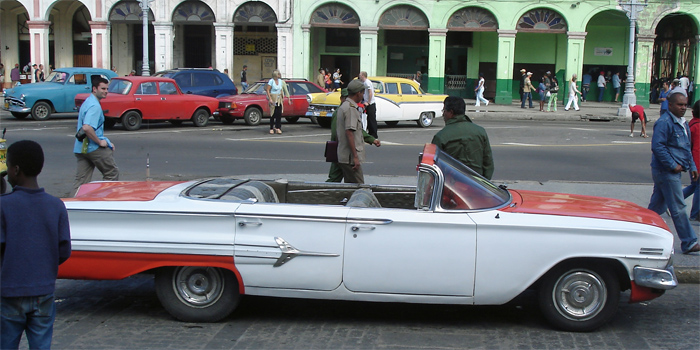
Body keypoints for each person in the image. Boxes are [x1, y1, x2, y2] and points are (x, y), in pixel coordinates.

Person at [1, 140, 72, 350]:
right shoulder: (56, 205)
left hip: (9, 292)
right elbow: (63, 251)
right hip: (43, 291)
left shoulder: (4, 206)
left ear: (15, 170)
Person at [647, 87, 699, 254]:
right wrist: (673, 165)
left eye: (685, 105)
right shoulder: (664, 122)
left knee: (655, 208)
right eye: (679, 105)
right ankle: (689, 242)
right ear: (669, 105)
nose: (683, 107)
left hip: (674, 170)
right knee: (678, 208)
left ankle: (641, 231)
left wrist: (692, 167)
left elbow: (686, 148)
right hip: (666, 171)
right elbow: (658, 147)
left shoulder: (682, 122)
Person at [71, 76, 120, 196]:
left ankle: (74, 205)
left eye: (107, 89)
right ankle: (104, 200)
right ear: (94, 89)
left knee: (81, 181)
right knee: (112, 173)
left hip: (81, 148)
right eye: (103, 88)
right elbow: (87, 127)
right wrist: (100, 142)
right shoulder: (95, 106)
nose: (106, 91)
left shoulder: (88, 102)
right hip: (92, 147)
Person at [431, 96, 494, 179]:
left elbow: (434, 168)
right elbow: (488, 164)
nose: (443, 114)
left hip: (452, 185)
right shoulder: (480, 132)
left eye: (444, 111)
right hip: (477, 185)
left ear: (451, 112)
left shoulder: (441, 137)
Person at [327, 88, 380, 182]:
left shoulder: (347, 109)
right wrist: (354, 156)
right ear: (342, 98)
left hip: (343, 151)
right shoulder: (344, 110)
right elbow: (341, 133)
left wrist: (371, 139)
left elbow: (358, 130)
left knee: (344, 181)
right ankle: (322, 195)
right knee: (337, 179)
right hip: (343, 151)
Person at [336, 80, 367, 183]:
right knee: (360, 188)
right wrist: (355, 157)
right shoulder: (350, 109)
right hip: (350, 158)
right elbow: (349, 132)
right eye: (363, 93)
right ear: (358, 93)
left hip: (345, 157)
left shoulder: (345, 106)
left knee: (350, 188)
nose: (363, 96)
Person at [682, 99, 700, 221]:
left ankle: (670, 201)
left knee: (694, 186)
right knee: (698, 187)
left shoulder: (692, 124)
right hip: (697, 162)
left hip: (693, 161)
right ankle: (695, 214)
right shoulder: (697, 126)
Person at [265, 69, 291, 135]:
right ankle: (271, 128)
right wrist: (270, 99)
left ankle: (278, 128)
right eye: (278, 74)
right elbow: (268, 90)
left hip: (279, 98)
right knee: (272, 114)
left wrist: (288, 98)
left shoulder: (281, 81)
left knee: (278, 114)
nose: (280, 75)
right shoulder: (271, 81)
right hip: (273, 97)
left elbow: (285, 90)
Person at [359, 71, 378, 138]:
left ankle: (374, 134)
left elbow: (370, 93)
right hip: (365, 102)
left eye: (360, 75)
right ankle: (370, 133)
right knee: (367, 119)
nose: (359, 76)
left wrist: (368, 102)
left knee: (371, 119)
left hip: (370, 103)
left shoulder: (367, 82)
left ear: (363, 76)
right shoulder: (363, 83)